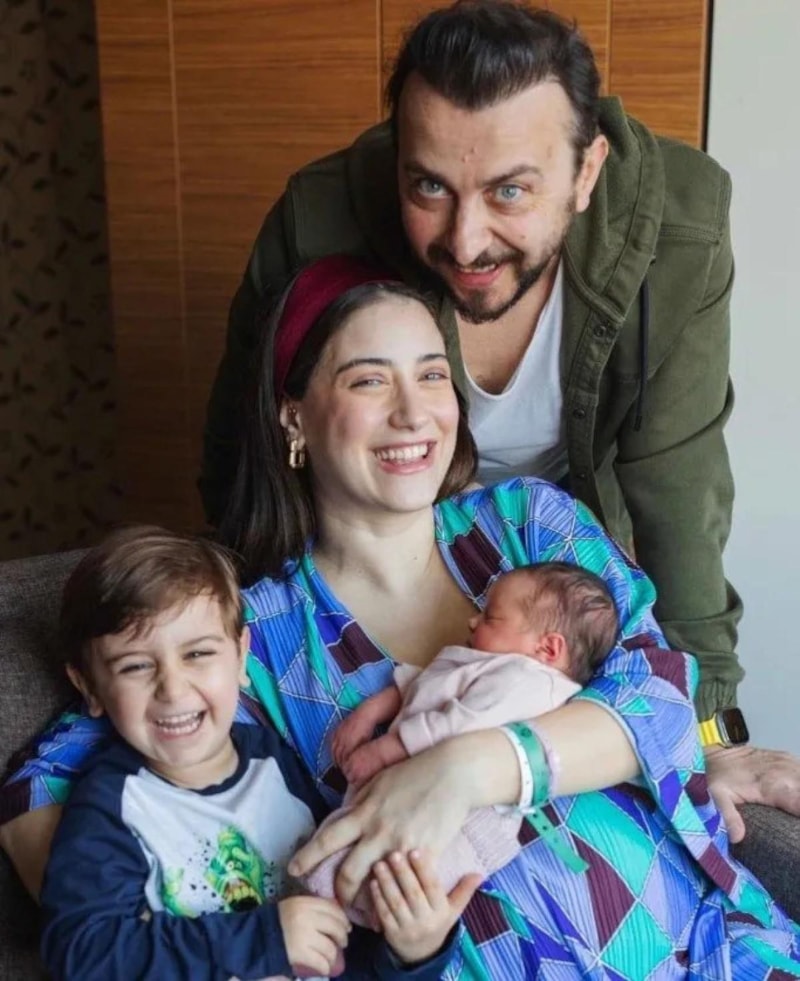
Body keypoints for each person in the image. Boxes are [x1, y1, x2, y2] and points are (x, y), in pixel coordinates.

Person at [5, 255, 797, 980]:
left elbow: (657, 693)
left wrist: (459, 771)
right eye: (369, 381)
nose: (415, 412)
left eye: (432, 374)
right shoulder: (254, 635)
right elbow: (50, 774)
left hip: (711, 947)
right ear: (293, 418)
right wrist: (139, 929)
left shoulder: (528, 524)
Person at [198, 0, 800, 836]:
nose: (466, 240)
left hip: (556, 571)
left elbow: (679, 492)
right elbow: (242, 461)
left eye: (510, 190)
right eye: (429, 187)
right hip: (374, 566)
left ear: (586, 172)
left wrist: (708, 738)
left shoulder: (681, 230)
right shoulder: (316, 220)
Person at [39, 525, 470, 981]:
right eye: (136, 666)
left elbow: (344, 932)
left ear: (241, 657)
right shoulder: (111, 805)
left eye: (198, 654)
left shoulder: (274, 760)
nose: (173, 689)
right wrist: (264, 939)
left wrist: (411, 953)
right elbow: (82, 952)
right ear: (89, 686)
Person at [305, 561, 619, 922]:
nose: (473, 621)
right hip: (417, 798)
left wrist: (384, 750)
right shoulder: (493, 667)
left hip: (464, 824)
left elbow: (460, 725)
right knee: (341, 856)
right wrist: (370, 712)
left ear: (547, 648)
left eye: (491, 618)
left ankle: (329, 916)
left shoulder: (528, 682)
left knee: (377, 880)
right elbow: (428, 688)